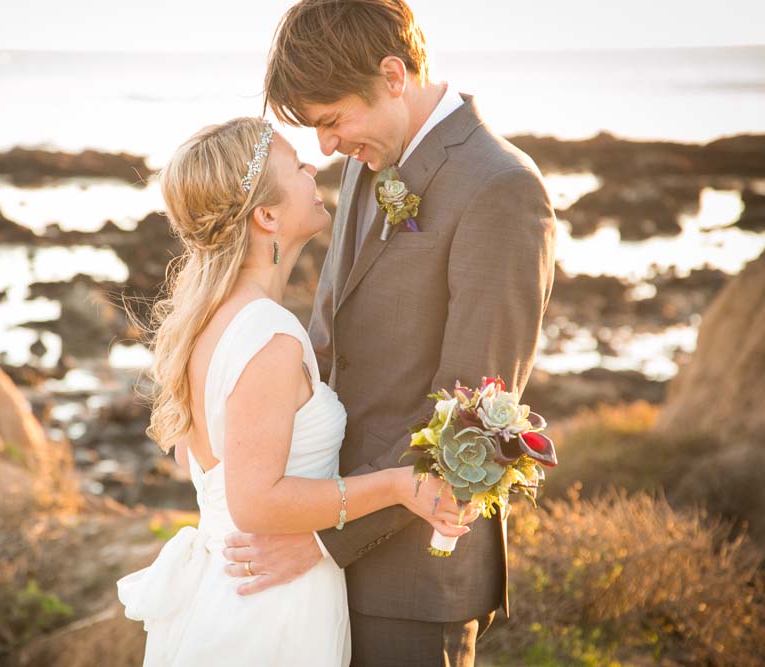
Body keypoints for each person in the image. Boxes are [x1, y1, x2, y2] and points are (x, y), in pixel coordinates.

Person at [221, 1, 557, 665]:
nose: (325, 147)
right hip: (319, 546)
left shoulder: (502, 189)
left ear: (394, 75)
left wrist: (324, 539)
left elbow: (472, 418)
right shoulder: (367, 161)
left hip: (413, 581)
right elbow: (326, 345)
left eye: (332, 120)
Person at [116, 117, 474, 666]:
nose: (314, 167)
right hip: (268, 609)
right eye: (297, 165)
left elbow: (202, 463)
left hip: (232, 587)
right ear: (266, 215)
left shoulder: (204, 321)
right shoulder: (268, 335)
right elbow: (255, 502)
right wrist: (397, 484)